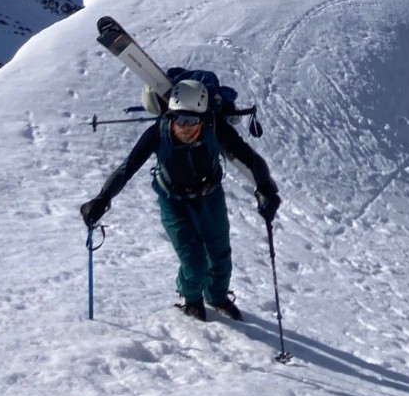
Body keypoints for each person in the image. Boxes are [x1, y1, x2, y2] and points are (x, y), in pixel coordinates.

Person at [80, 78, 280, 322]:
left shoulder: (215, 127)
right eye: (179, 118)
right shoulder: (158, 133)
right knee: (194, 262)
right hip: (173, 201)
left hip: (210, 196)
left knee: (220, 253)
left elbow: (251, 159)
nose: (184, 126)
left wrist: (266, 188)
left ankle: (217, 296)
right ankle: (192, 299)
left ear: (203, 118)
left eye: (191, 120)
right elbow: (127, 168)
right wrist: (103, 198)